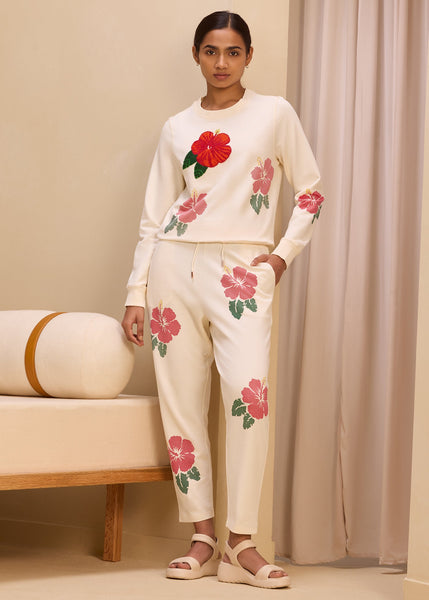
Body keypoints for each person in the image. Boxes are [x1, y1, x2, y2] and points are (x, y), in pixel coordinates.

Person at [122, 10, 324, 589]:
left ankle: (241, 542)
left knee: (248, 399)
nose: (221, 62)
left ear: (248, 56)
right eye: (211, 51)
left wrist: (280, 257)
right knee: (183, 406)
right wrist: (136, 291)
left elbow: (310, 192)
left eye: (233, 52)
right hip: (173, 268)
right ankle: (203, 538)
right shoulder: (176, 127)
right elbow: (154, 216)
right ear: (196, 55)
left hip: (243, 272)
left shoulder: (274, 113)